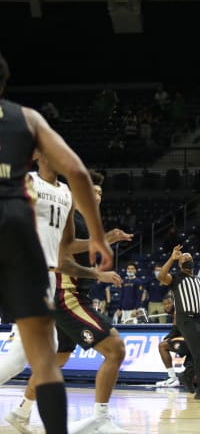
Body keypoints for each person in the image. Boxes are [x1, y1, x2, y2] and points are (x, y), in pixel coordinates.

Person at [0, 53, 113, 434]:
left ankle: (19, 417)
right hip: (21, 257)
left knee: (38, 356)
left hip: (43, 272)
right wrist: (99, 236)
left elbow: (66, 246)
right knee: (38, 359)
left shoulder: (63, 194)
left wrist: (96, 240)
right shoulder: (27, 134)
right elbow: (77, 167)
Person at [1, 152, 123, 433]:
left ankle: (22, 412)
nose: (98, 196)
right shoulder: (41, 192)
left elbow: (65, 254)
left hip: (55, 284)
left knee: (50, 356)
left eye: (101, 192)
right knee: (112, 348)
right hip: (45, 284)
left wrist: (98, 263)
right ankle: (99, 418)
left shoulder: (73, 206)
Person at [157, 245, 200, 401]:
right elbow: (161, 276)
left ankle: (186, 374)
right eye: (184, 257)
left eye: (189, 257)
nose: (187, 258)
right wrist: (171, 258)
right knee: (199, 353)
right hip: (186, 320)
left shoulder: (198, 280)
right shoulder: (175, 279)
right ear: (180, 263)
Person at [155, 294, 200, 389]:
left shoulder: (180, 311)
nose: (167, 306)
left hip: (198, 342)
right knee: (187, 377)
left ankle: (172, 378)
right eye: (165, 304)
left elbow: (174, 332)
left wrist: (169, 339)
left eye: (169, 303)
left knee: (162, 345)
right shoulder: (183, 311)